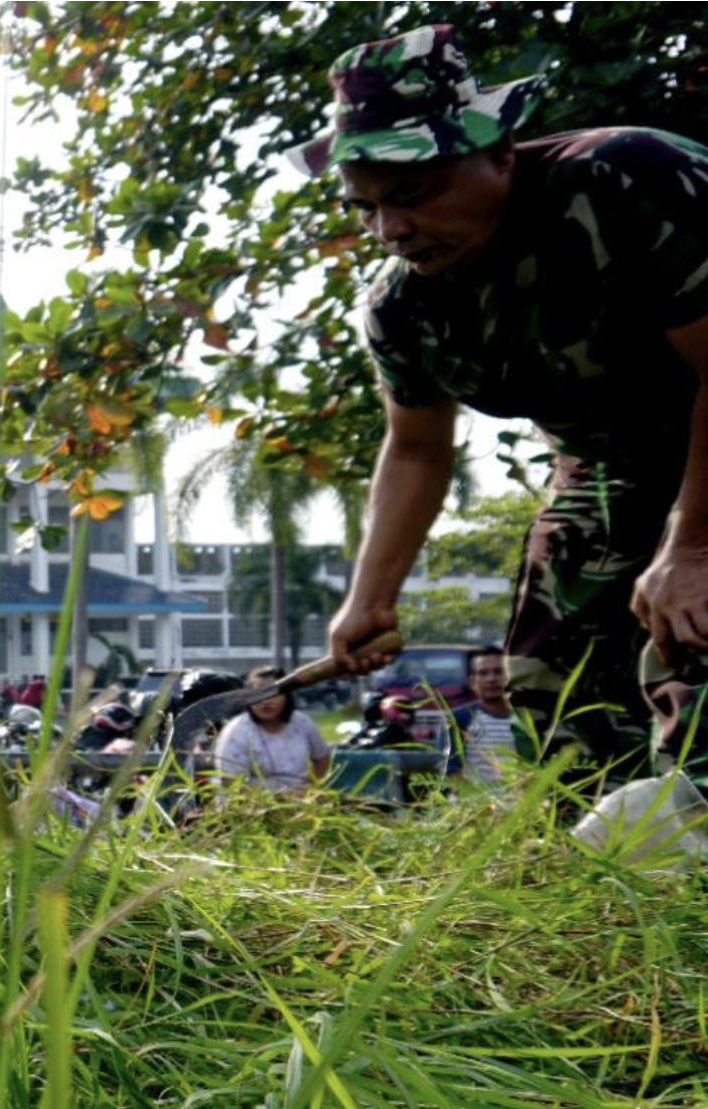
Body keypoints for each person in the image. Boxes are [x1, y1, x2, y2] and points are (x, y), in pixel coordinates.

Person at [297, 26, 708, 787]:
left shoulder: (629, 180)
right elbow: (417, 448)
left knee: (692, 637)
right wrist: (370, 600)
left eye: (413, 194)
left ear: (500, 153)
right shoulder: (403, 307)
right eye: (367, 208)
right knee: (555, 685)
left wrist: (692, 550)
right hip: (611, 463)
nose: (392, 231)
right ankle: (606, 879)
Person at [213, 666, 331, 794]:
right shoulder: (236, 731)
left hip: (299, 803)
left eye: (273, 694)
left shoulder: (302, 722)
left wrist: (309, 788)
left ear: (287, 696)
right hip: (251, 806)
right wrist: (273, 803)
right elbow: (230, 781)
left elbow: (322, 758)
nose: (266, 701)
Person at [447, 645, 517, 784]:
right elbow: (452, 771)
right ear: (472, 681)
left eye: (498, 672)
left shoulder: (525, 719)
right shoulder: (460, 718)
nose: (491, 679)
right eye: (483, 673)